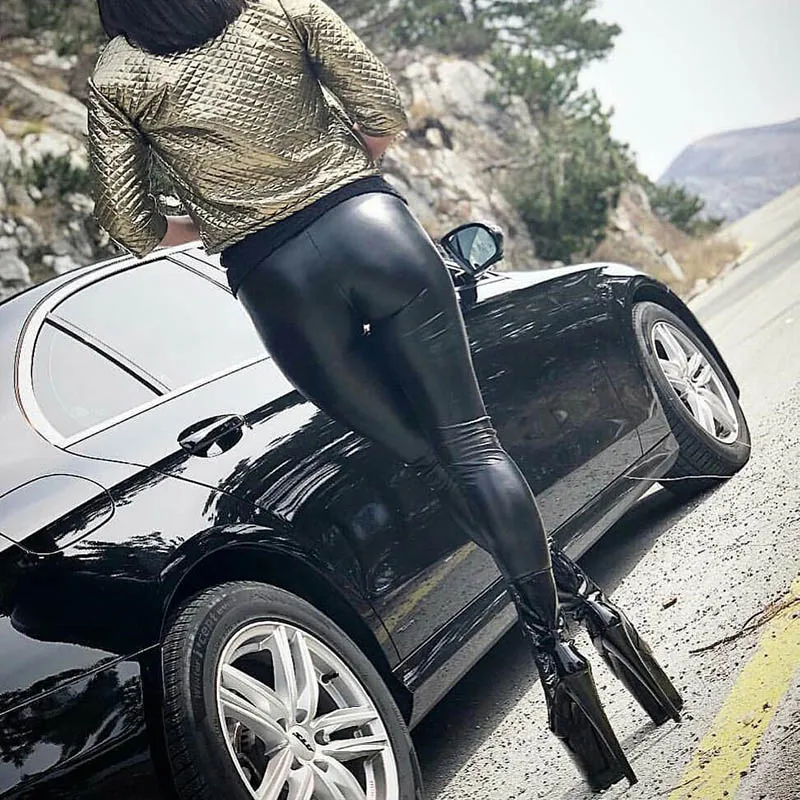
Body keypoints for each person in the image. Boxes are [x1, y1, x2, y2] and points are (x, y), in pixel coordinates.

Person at [87, 0, 682, 793]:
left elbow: (129, 226)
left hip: (277, 283)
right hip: (371, 227)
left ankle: (572, 636)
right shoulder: (280, 7)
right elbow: (384, 112)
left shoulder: (117, 72)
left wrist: (217, 217)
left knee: (436, 464)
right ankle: (571, 636)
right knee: (472, 448)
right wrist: (339, 172)